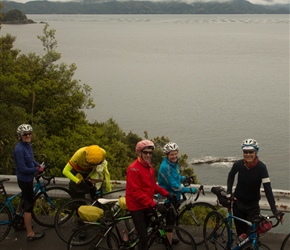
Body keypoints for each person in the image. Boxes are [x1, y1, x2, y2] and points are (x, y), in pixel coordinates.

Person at [227, 138, 283, 237]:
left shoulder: (262, 168)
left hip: (252, 207)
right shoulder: (238, 164)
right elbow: (231, 176)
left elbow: (267, 189)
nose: (248, 154)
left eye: (251, 152)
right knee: (241, 236)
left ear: (256, 152)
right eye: (245, 152)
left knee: (252, 236)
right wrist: (229, 192)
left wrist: (274, 210)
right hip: (238, 204)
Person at [126, 139, 175, 250]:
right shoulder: (133, 169)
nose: (148, 155)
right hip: (136, 206)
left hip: (146, 204)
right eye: (145, 152)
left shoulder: (149, 167)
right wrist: (154, 204)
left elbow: (152, 185)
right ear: (139, 153)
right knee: (144, 238)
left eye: (150, 153)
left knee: (149, 229)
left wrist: (166, 194)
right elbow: (135, 192)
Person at [158, 142, 197, 244]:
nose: (174, 156)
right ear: (167, 155)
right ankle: (168, 243)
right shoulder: (165, 167)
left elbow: (176, 177)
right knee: (170, 222)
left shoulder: (173, 164)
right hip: (167, 197)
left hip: (174, 196)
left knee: (171, 219)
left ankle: (167, 238)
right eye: (171, 154)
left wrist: (185, 178)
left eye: (175, 153)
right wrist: (189, 190)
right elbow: (175, 186)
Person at [13, 124, 45, 242]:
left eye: (29, 133)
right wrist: (36, 170)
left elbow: (31, 160)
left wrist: (38, 165)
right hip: (24, 179)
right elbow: (23, 169)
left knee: (24, 200)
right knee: (28, 207)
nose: (27, 136)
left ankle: (18, 221)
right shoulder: (19, 149)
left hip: (29, 178)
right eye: (25, 134)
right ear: (20, 136)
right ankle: (30, 234)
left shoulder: (27, 145)